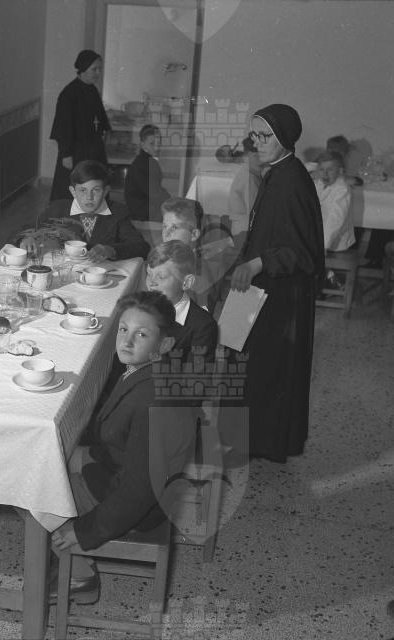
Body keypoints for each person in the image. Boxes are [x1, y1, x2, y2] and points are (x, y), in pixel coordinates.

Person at [51, 291, 195, 603]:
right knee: (55, 456)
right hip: (116, 465)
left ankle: (81, 577)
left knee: (35, 486)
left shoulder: (153, 401)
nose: (127, 342)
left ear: (165, 345)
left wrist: (85, 530)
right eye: (123, 329)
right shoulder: (144, 372)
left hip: (137, 505)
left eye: (141, 334)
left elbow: (139, 490)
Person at [230, 103, 324, 463]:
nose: (257, 142)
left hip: (279, 292)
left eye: (265, 135)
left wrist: (256, 262)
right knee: (243, 356)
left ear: (284, 137)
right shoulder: (277, 172)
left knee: (265, 368)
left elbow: (302, 252)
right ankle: (240, 437)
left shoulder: (292, 181)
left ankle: (258, 443)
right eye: (254, 135)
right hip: (259, 283)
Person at [15, 160, 149, 263]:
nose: (89, 197)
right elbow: (20, 232)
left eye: (96, 190)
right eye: (83, 190)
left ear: (106, 191)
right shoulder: (56, 209)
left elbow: (141, 246)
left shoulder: (118, 213)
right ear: (73, 191)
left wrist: (111, 250)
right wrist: (25, 239)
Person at [49, 50, 111, 201]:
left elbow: (99, 120)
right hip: (76, 152)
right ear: (83, 69)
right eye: (94, 69)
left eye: (100, 69)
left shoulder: (92, 90)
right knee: (73, 193)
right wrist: (66, 154)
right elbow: (63, 127)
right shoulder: (68, 94)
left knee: (96, 189)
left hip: (94, 150)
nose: (98, 73)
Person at [146, 241, 217, 362]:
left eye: (161, 276)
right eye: (149, 274)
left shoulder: (203, 328)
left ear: (186, 283)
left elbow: (196, 372)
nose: (151, 282)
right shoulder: (141, 307)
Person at [124, 124, 171, 221]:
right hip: (143, 214)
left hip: (143, 210)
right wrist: (173, 203)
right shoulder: (144, 163)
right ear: (143, 145)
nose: (157, 148)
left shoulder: (145, 160)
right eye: (152, 144)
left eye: (159, 143)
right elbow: (155, 193)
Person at [315, 151, 354, 254]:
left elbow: (335, 218)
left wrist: (324, 245)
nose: (325, 174)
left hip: (335, 242)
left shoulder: (342, 190)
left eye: (330, 170)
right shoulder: (318, 184)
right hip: (317, 236)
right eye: (321, 169)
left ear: (340, 171)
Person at [227, 135, 262, 243]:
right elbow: (255, 211)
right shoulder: (249, 178)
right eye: (259, 156)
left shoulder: (248, 172)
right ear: (252, 155)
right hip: (245, 233)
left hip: (243, 229)